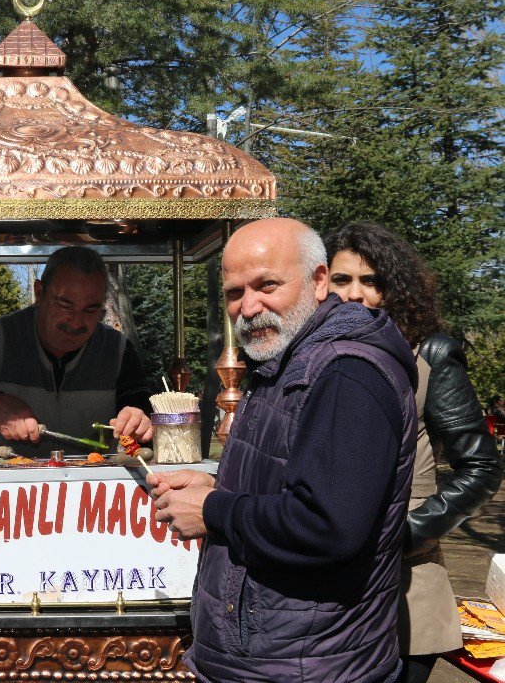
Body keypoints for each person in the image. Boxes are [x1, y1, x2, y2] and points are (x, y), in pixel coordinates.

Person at [148, 218, 418, 683]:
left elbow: (328, 525)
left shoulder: (346, 373)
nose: (249, 307)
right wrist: (218, 487)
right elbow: (297, 487)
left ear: (318, 281)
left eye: (267, 285)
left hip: (311, 667)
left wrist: (214, 510)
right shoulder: (288, 361)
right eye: (235, 292)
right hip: (275, 658)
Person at [324, 222, 503, 683]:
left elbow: (481, 466)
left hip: (406, 583)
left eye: (371, 281)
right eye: (342, 280)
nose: (355, 294)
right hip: (326, 585)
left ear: (394, 289)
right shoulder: (315, 354)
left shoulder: (430, 354)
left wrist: (408, 534)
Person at [0, 246, 154, 457]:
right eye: (64, 305)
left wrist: (140, 419)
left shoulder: (118, 351)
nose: (76, 322)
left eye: (91, 310)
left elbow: (145, 416)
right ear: (39, 293)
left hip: (91, 497)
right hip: (2, 496)